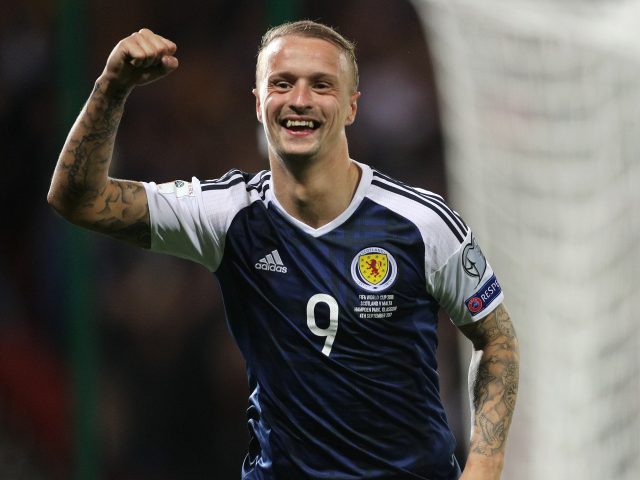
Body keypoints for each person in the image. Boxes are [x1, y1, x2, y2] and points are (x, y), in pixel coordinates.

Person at [48, 20, 519, 480]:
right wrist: (112, 87)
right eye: (282, 83)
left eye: (321, 85)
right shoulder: (227, 214)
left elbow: (495, 336)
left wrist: (484, 465)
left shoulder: (421, 222)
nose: (300, 100)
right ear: (258, 103)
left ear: (352, 107)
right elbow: (79, 199)